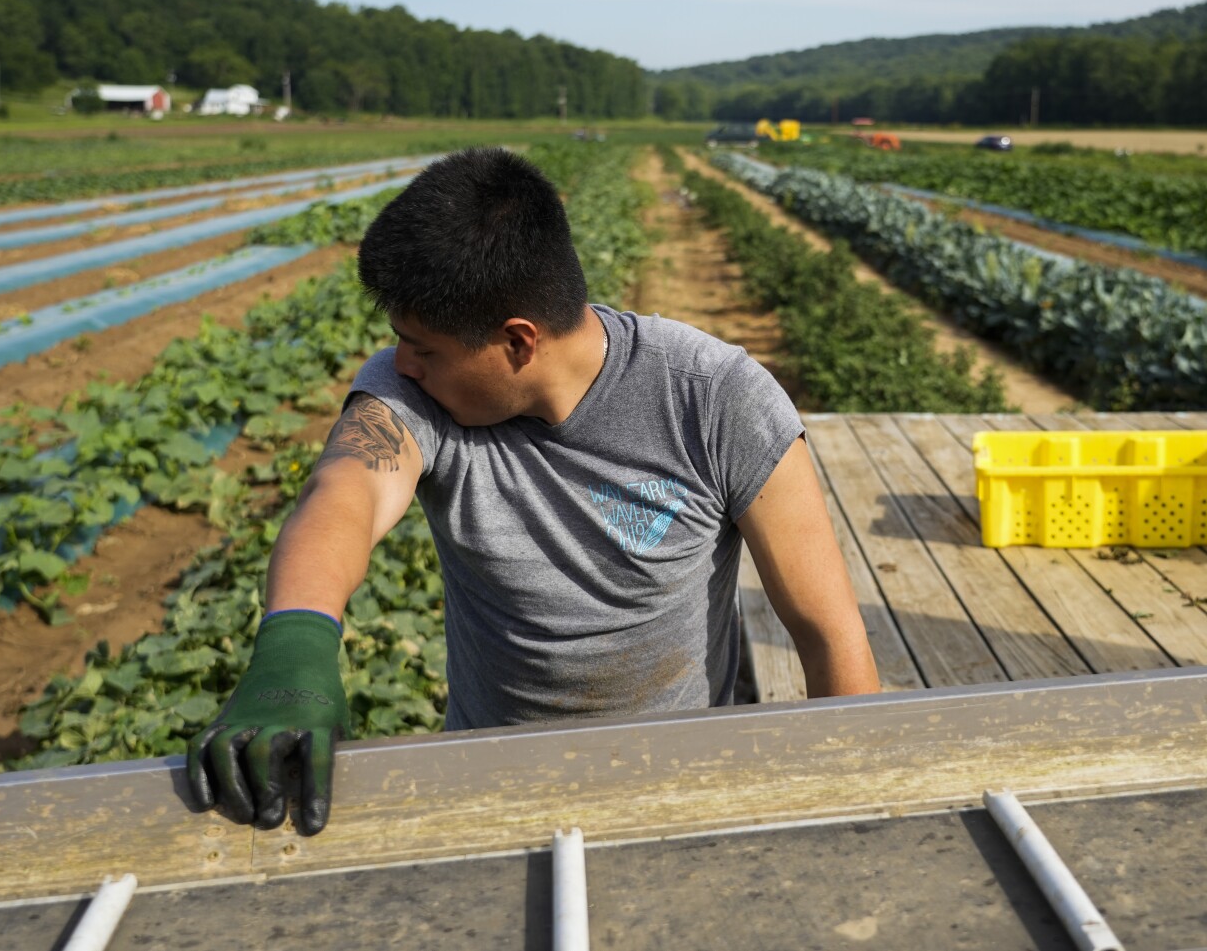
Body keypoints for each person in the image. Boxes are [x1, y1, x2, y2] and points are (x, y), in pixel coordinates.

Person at [186, 147, 880, 835]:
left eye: (423, 345)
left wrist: (844, 818)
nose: (401, 362)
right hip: (492, 796)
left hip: (679, 793)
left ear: (519, 342)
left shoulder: (713, 397)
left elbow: (829, 635)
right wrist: (294, 648)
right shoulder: (419, 392)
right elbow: (345, 493)